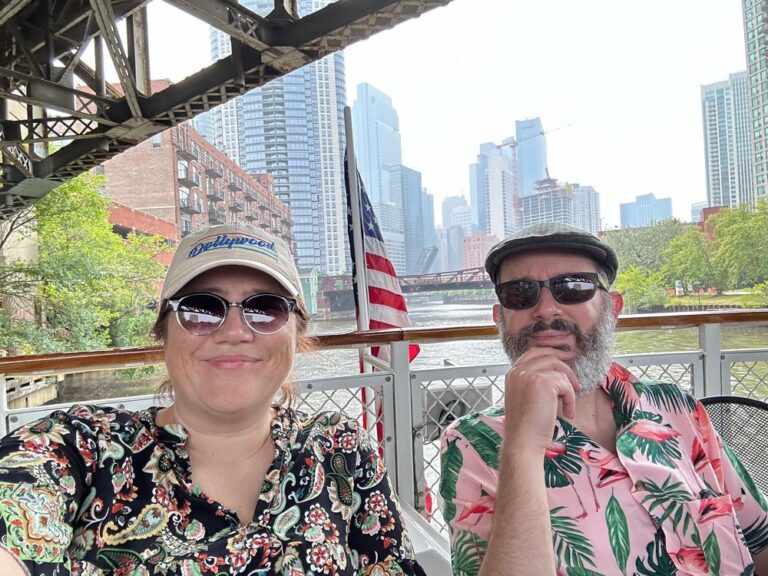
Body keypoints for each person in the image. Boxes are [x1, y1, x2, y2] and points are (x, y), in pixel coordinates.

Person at [0, 222, 425, 576]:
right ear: (163, 333)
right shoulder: (81, 446)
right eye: (201, 308)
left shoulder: (340, 449)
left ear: (297, 335)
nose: (235, 331)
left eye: (266, 308)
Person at [439, 222, 768, 576]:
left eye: (574, 287)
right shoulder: (471, 445)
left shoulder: (677, 408)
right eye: (521, 293)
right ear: (500, 319)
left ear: (612, 309)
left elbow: (759, 541)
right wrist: (522, 449)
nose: (547, 309)